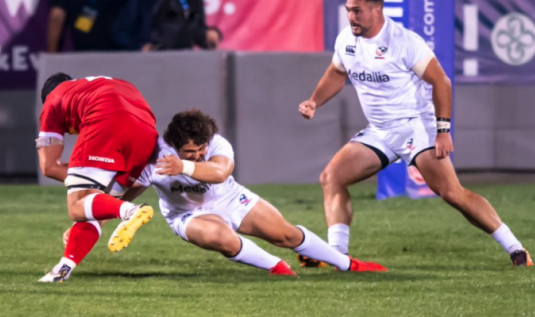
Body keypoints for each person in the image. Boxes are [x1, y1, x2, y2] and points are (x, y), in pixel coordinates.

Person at [298, 0, 533, 267]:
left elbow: (441, 82)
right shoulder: (346, 39)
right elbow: (337, 72)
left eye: (357, 11)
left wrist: (443, 130)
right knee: (331, 177)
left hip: (415, 127)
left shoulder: (404, 41)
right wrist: (314, 101)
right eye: (348, 10)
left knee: (451, 193)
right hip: (380, 131)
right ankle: (337, 253)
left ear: (377, 10)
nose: (351, 17)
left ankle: (516, 248)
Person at [116, 109, 385, 276]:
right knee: (220, 235)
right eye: (190, 152)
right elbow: (124, 198)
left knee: (286, 234)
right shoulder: (154, 159)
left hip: (230, 199)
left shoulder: (216, 144)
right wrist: (96, 219)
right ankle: (276, 267)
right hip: (186, 215)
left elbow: (220, 172)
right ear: (174, 144)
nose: (198, 156)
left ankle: (348, 264)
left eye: (202, 150)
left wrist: (183, 165)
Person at [37, 74, 158, 282]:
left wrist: (84, 183)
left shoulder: (53, 99)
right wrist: (92, 188)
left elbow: (49, 166)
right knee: (92, 209)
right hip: (146, 130)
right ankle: (62, 270)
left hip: (105, 121)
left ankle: (132, 211)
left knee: (77, 205)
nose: (71, 132)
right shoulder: (105, 85)